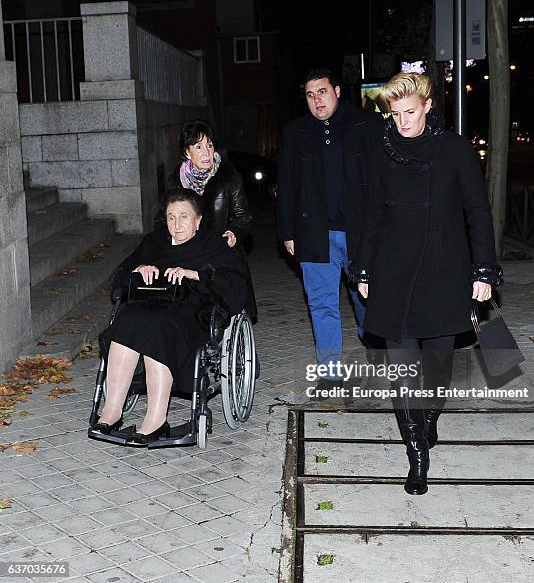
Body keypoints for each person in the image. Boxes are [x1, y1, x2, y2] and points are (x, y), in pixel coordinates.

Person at [350, 72, 503, 495]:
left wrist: (484, 271)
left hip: (443, 272)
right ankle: (417, 454)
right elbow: (372, 215)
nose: (402, 122)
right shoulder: (381, 151)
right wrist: (362, 268)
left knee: (435, 371)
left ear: (428, 106)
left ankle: (428, 419)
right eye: (395, 114)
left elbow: (478, 214)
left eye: (410, 112)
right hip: (393, 274)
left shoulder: (454, 150)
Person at [91, 189, 248, 445]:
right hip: (151, 304)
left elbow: (235, 286)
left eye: (184, 217)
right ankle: (112, 412)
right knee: (126, 321)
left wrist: (194, 274)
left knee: (159, 327)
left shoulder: (212, 245)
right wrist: (138, 270)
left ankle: (156, 419)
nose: (177, 224)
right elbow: (119, 279)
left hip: (192, 310)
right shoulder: (154, 243)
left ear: (197, 220)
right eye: (171, 217)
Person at [277, 68, 382, 384]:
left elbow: (383, 179)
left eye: (322, 91)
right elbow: (287, 184)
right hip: (314, 233)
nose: (316, 100)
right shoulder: (296, 132)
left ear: (336, 90)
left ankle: (374, 342)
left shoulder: (366, 123)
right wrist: (287, 232)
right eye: (310, 94)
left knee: (367, 299)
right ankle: (330, 371)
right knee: (321, 304)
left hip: (360, 233)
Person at [166, 119, 257, 321]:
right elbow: (163, 219)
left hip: (219, 255)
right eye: (198, 147)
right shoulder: (175, 181)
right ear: (187, 153)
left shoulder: (228, 177)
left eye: (209, 145)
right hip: (187, 254)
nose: (206, 152)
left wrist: (233, 233)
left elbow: (243, 218)